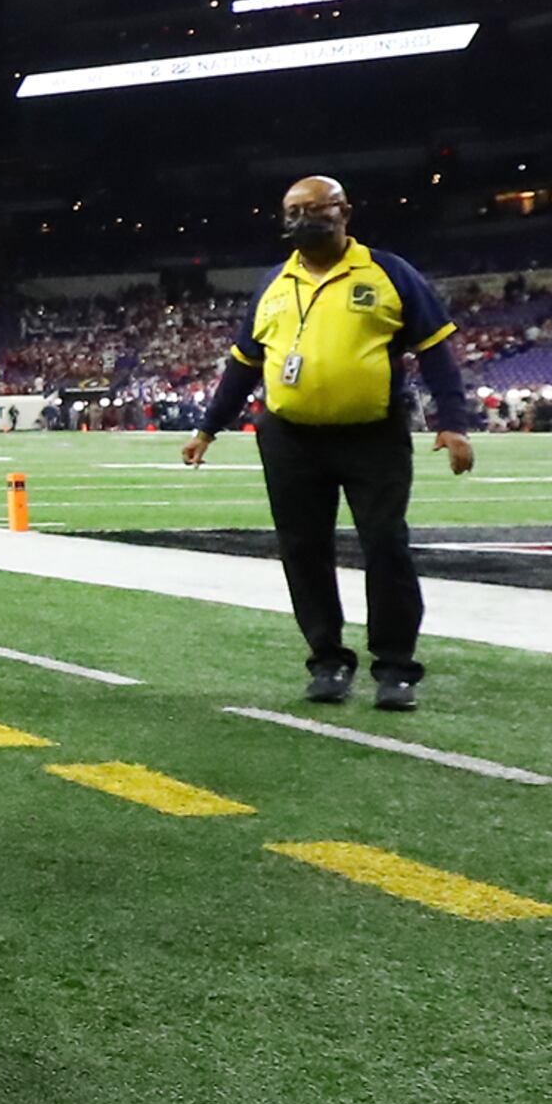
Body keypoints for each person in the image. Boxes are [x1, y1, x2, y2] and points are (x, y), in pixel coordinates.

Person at [181, 177, 475, 711]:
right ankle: (328, 660)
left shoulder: (389, 273)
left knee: (385, 544)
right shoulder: (274, 282)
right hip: (289, 438)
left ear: (345, 211)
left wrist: (452, 422)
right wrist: (208, 428)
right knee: (302, 549)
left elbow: (435, 350)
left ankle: (396, 667)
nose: (302, 220)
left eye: (315, 209)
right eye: (293, 211)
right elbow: (243, 365)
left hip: (373, 435)